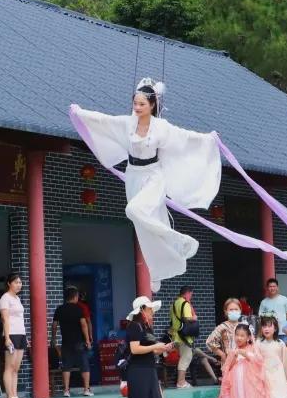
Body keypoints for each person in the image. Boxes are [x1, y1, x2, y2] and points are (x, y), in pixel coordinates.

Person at [71, 80, 221, 292]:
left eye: (142, 104)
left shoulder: (161, 127)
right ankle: (158, 270)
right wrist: (81, 113)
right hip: (133, 175)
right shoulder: (127, 123)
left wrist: (208, 139)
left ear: (152, 105)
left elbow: (185, 137)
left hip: (153, 176)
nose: (137, 107)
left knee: (133, 210)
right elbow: (105, 121)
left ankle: (178, 240)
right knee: (143, 225)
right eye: (135, 103)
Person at [123, 296, 173, 398]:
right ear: (142, 310)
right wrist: (155, 347)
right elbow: (135, 349)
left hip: (149, 369)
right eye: (150, 309)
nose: (152, 312)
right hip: (137, 370)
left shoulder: (146, 328)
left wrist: (163, 349)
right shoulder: (134, 326)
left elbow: (151, 350)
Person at [218, 323, 272, 398]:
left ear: (248, 337)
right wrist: (233, 358)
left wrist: (245, 354)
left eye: (242, 335)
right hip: (236, 386)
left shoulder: (252, 349)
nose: (239, 338)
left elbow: (259, 361)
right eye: (237, 335)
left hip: (251, 385)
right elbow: (226, 368)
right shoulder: (233, 351)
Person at [170, 286, 217, 388]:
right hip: (184, 336)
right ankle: (181, 382)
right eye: (191, 294)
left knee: (185, 356)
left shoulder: (174, 304)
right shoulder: (185, 304)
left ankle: (181, 381)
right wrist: (194, 317)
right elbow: (187, 318)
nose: (191, 296)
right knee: (186, 357)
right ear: (187, 293)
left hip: (176, 335)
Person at [52, 286, 94, 397]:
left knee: (66, 366)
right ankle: (86, 389)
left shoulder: (59, 309)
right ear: (75, 297)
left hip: (66, 342)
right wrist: (87, 340)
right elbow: (84, 325)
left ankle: (66, 390)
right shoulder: (78, 309)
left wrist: (54, 339)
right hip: (79, 342)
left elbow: (54, 326)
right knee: (84, 365)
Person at [0, 273, 28, 398]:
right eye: (16, 282)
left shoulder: (17, 298)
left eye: (20, 282)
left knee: (16, 368)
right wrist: (7, 337)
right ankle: (9, 396)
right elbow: (5, 319)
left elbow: (19, 318)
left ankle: (14, 395)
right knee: (9, 367)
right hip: (11, 335)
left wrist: (25, 337)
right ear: (9, 284)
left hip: (21, 334)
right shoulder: (5, 298)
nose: (19, 285)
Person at [206, 298, 246, 364]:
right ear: (226, 311)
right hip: (228, 363)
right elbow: (209, 342)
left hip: (243, 363)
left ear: (240, 310)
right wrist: (222, 354)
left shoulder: (244, 326)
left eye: (236, 309)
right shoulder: (222, 327)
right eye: (231, 310)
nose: (234, 312)